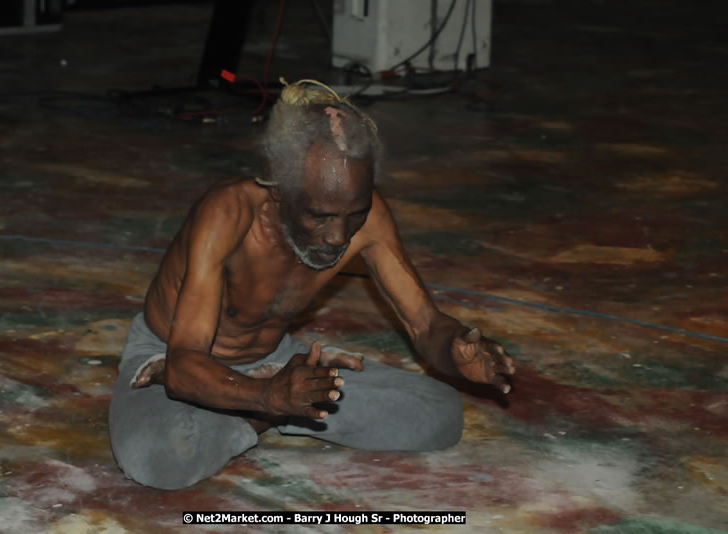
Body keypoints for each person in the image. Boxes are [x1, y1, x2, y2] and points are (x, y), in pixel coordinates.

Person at [108, 79, 516, 490]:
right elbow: (182, 365)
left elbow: (425, 325)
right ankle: (276, 406)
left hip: (276, 360)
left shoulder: (371, 217)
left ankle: (279, 404)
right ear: (278, 189)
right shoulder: (229, 214)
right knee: (164, 459)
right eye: (319, 216)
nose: (338, 236)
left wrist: (455, 351)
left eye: (354, 214)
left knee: (441, 413)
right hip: (173, 355)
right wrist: (268, 396)